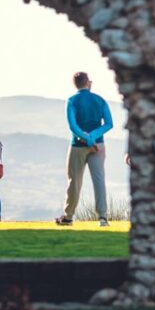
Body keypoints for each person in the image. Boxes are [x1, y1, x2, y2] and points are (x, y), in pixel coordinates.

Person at [56, 72, 113, 227]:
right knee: (99, 180)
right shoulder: (100, 100)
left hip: (78, 146)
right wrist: (93, 137)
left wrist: (86, 138)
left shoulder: (72, 101)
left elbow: (73, 126)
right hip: (98, 145)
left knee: (74, 181)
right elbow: (109, 124)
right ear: (88, 82)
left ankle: (68, 217)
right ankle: (103, 217)